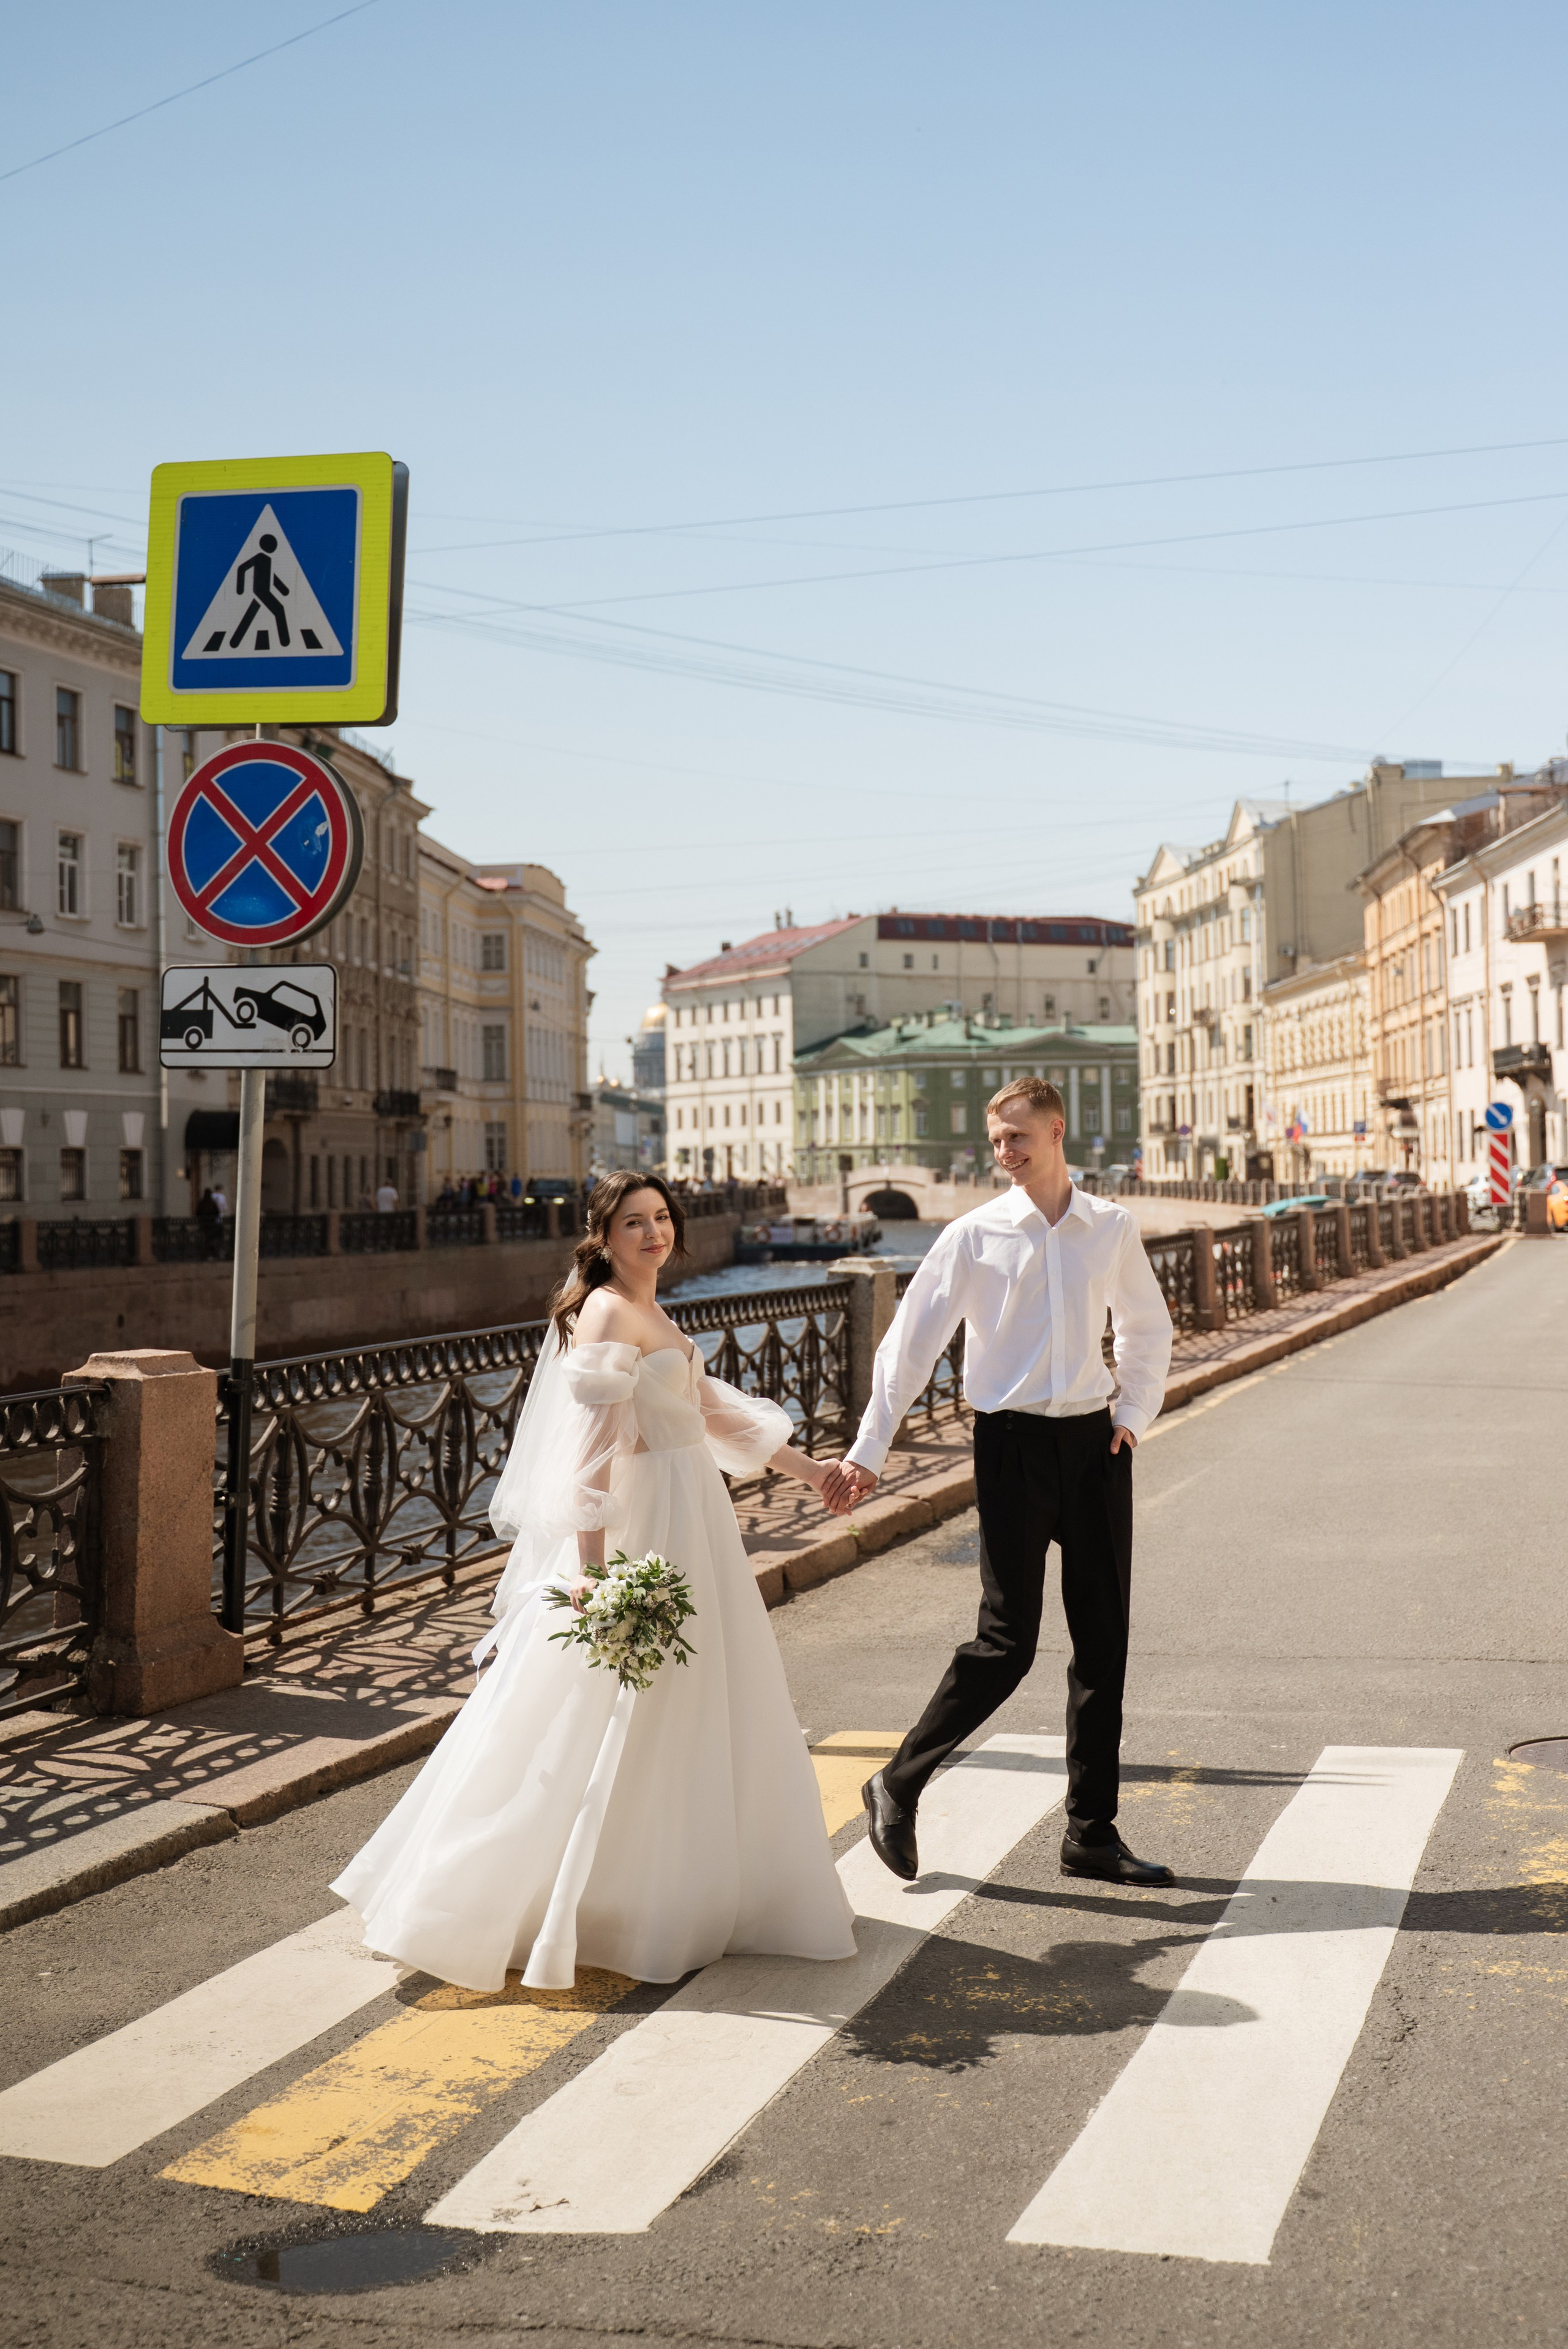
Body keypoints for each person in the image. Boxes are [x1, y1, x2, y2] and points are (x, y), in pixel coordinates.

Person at [331, 1171, 856, 1991]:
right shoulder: (609, 1310)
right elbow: (588, 1457)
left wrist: (807, 1468)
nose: (652, 1233)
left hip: (695, 1520)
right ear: (603, 1237)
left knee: (684, 1706)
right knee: (596, 1709)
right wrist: (596, 1577)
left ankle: (668, 1893)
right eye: (633, 1223)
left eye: (659, 1219)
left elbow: (709, 1410)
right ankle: (506, 1899)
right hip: (648, 1522)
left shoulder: (651, 1309)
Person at [823, 1077, 1175, 1890]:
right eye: (998, 1142)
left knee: (1103, 1643)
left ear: (1057, 1132)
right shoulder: (974, 1235)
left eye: (1019, 1137)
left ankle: (1091, 1832)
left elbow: (1147, 1326)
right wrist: (870, 1448)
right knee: (1006, 1642)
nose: (1006, 1153)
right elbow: (911, 1346)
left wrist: (1135, 1415)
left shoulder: (1109, 1227)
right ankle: (898, 1782)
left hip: (1095, 1448)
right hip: (1011, 1446)